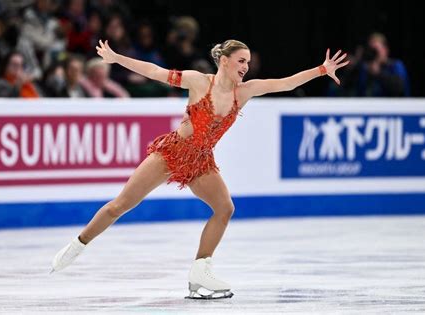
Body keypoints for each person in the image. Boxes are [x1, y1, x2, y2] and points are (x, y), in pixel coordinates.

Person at [50, 39, 348, 299]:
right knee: (120, 206)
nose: (246, 66)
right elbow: (154, 72)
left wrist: (321, 70)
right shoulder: (198, 82)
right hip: (172, 152)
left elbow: (286, 83)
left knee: (224, 208)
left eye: (248, 62)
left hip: (201, 161)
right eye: (241, 60)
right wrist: (116, 59)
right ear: (224, 60)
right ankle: (79, 244)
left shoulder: (244, 92)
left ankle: (199, 272)